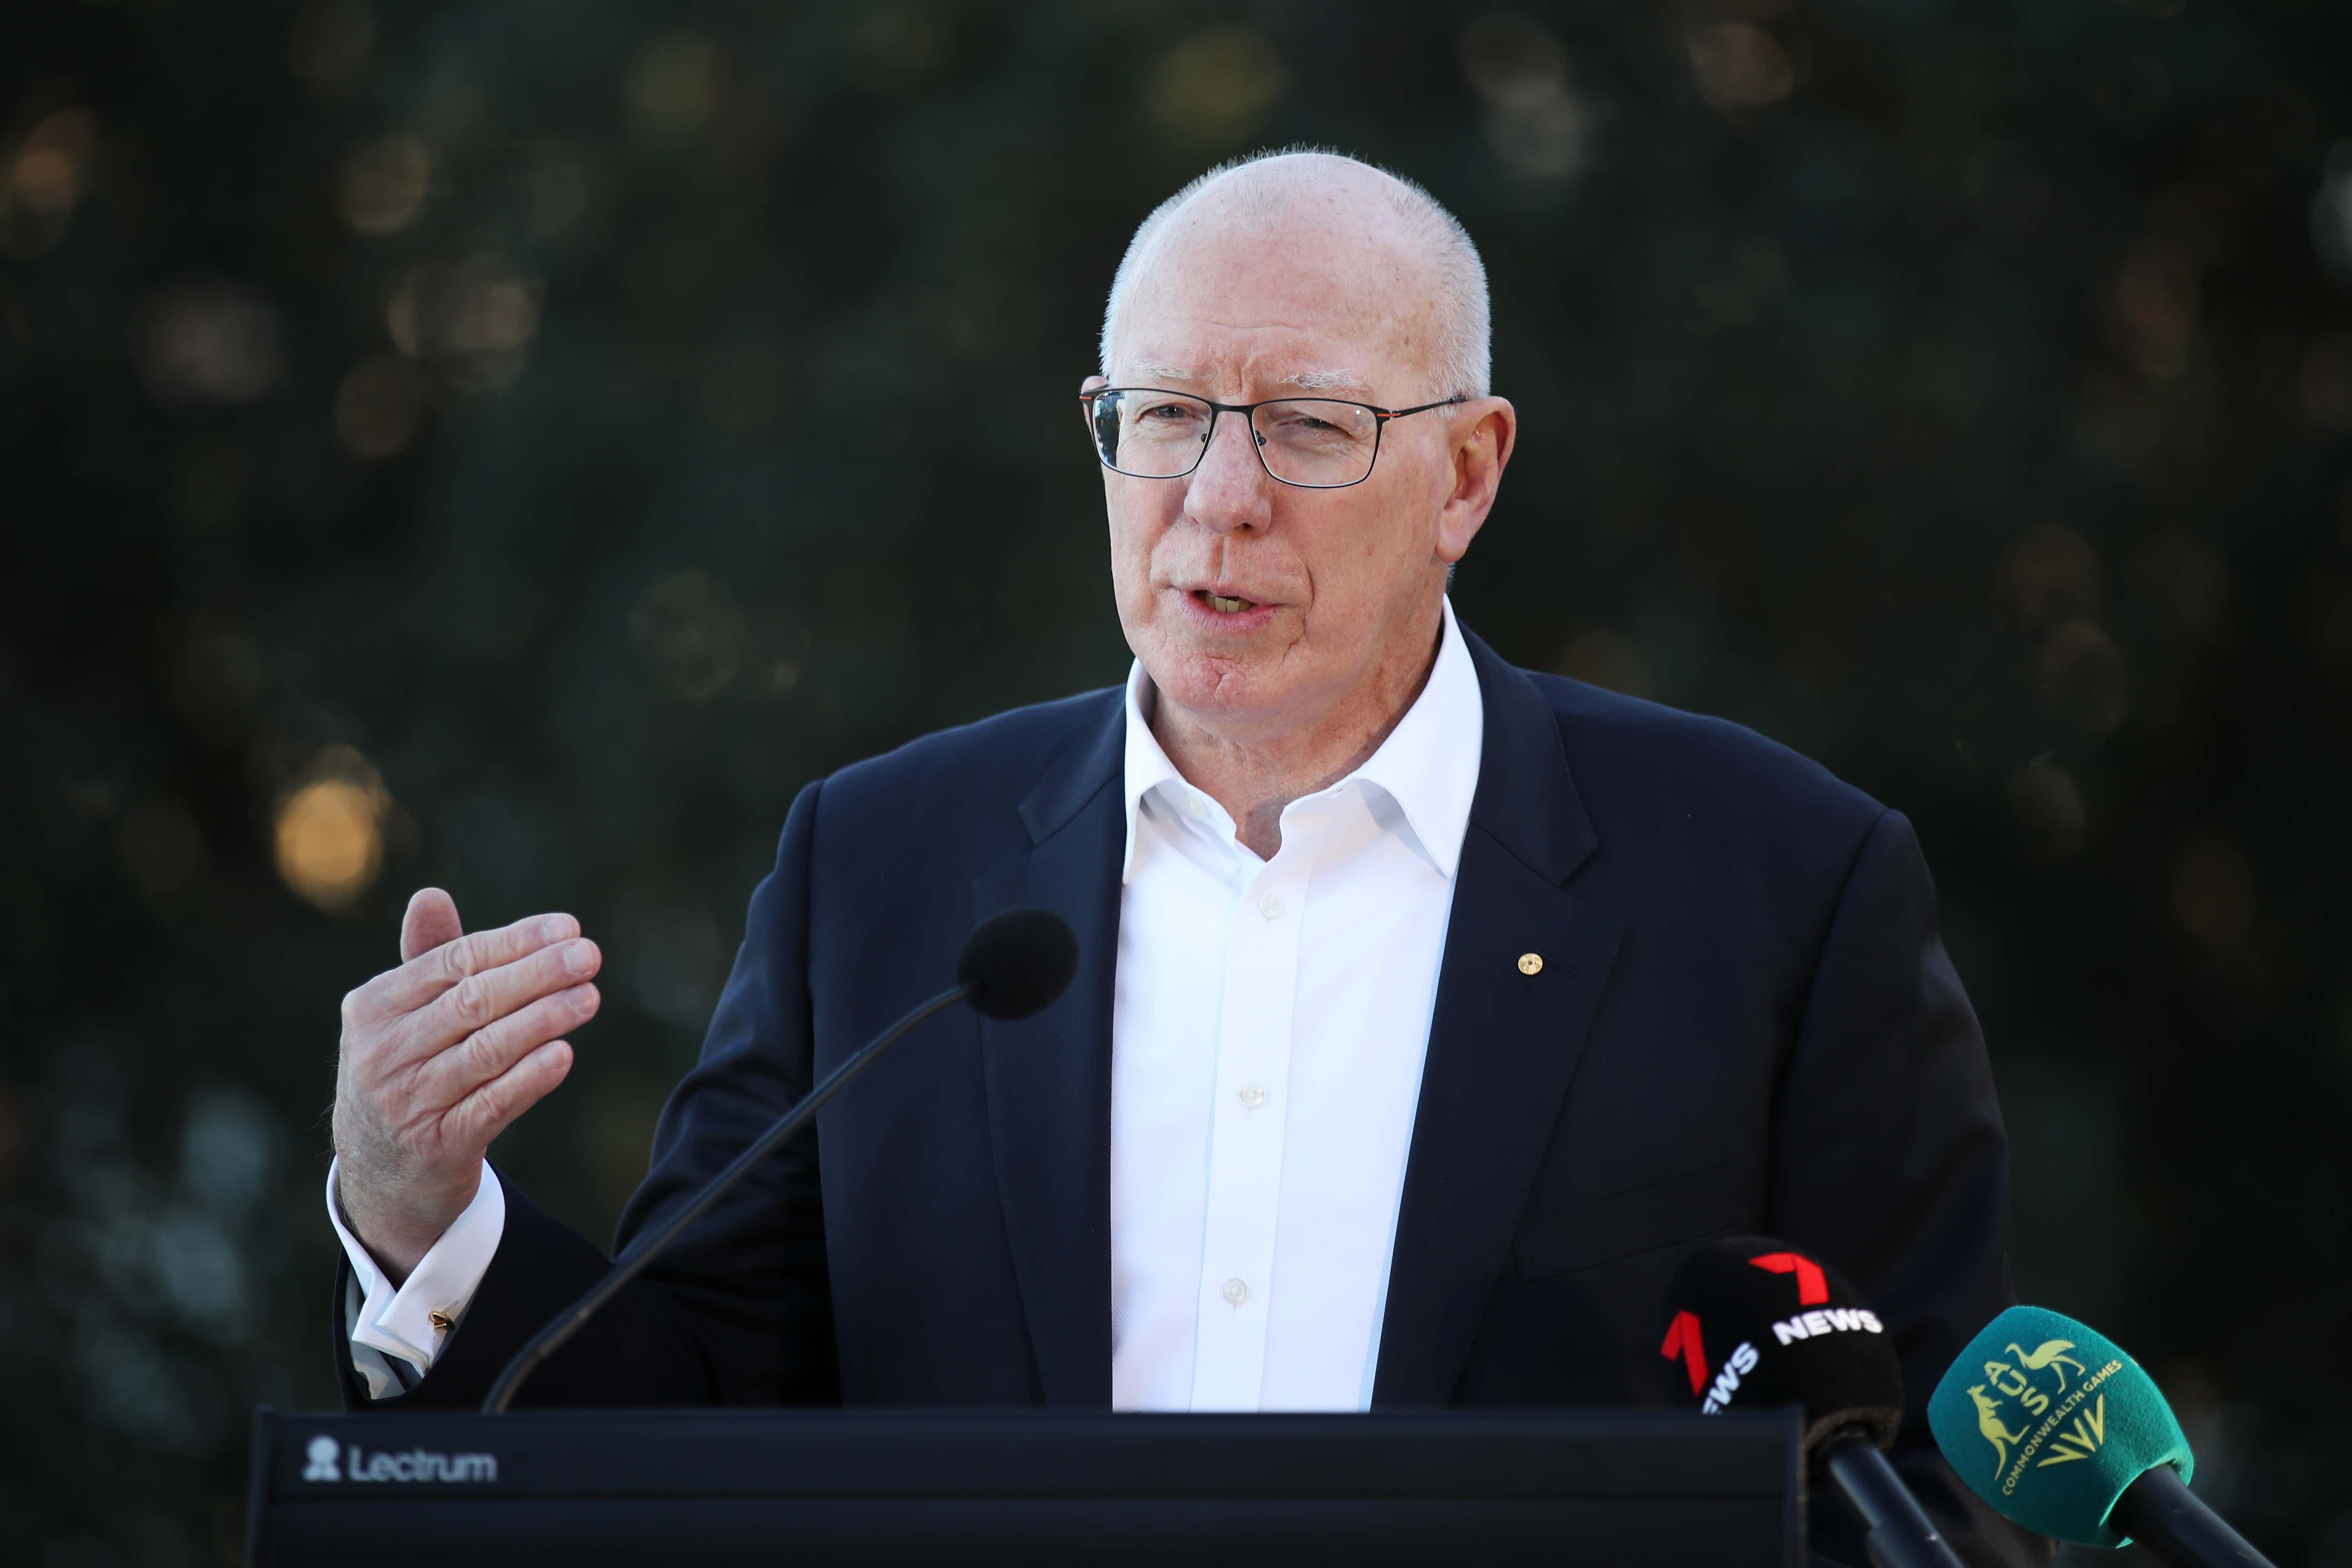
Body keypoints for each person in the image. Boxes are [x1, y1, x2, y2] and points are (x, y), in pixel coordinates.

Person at [325, 150, 2048, 1564]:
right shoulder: (888, 868)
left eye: (1306, 426)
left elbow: (1926, 1493)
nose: (1217, 497)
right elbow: (684, 1426)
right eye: (1163, 416)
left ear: (1466, 473)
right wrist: (428, 1221)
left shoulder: (1775, 888)